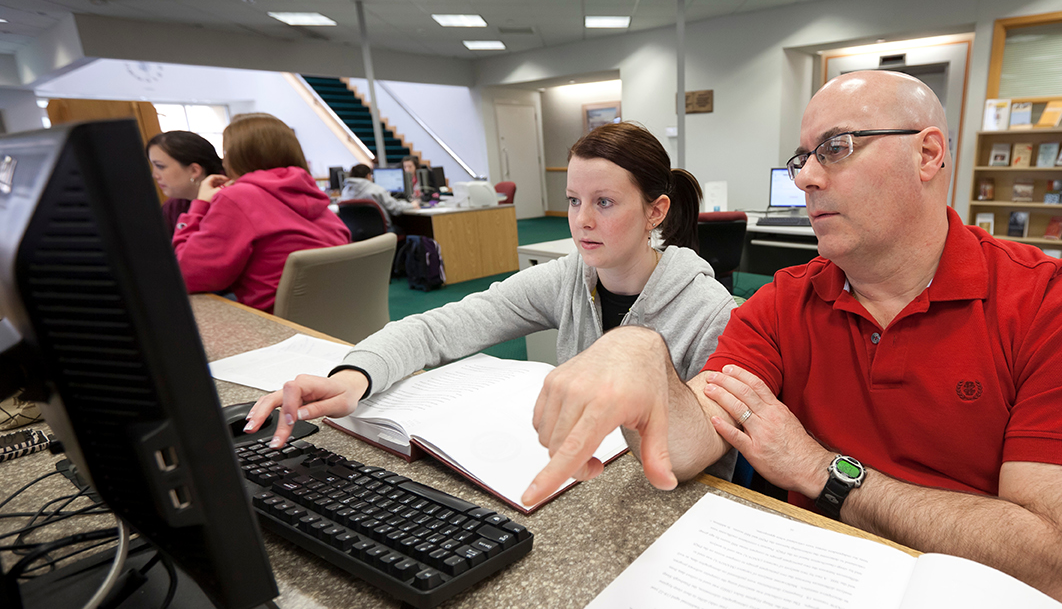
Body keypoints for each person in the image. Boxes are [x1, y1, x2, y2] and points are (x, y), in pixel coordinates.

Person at [522, 71, 1062, 609]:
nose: (805, 180)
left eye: (837, 148)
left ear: (928, 155)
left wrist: (824, 473)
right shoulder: (783, 303)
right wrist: (647, 357)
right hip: (821, 591)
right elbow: (688, 448)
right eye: (803, 158)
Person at [247, 121, 738, 451]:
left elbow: (703, 451)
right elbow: (439, 328)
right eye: (572, 201)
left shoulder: (705, 310)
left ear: (656, 211)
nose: (581, 221)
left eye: (604, 203)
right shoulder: (571, 277)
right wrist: (355, 376)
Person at [172, 112, 350, 313]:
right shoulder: (310, 190)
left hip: (279, 326)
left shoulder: (238, 197)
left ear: (236, 156)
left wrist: (199, 205)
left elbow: (185, 276)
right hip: (335, 316)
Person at [146, 130, 224, 236]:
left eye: (160, 166)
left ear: (194, 170)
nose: (154, 175)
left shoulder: (229, 200)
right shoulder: (172, 207)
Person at [339, 162, 418, 219]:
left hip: (356, 234)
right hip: (380, 232)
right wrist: (412, 205)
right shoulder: (376, 190)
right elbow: (395, 208)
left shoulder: (345, 191)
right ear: (368, 176)